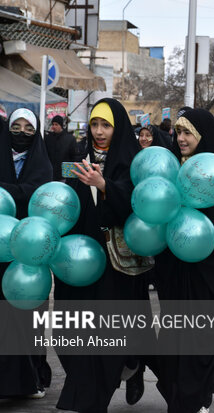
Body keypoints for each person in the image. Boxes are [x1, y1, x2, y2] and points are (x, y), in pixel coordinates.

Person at [53, 98, 148, 411]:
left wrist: (105, 185)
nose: (99, 131)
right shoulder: (78, 156)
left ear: (117, 126)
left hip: (114, 263)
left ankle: (96, 394)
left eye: (105, 125)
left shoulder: (131, 160)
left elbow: (137, 204)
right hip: (79, 259)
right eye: (94, 124)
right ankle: (85, 387)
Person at [154, 108, 214, 413]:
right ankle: (187, 393)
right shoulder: (174, 168)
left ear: (203, 135)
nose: (180, 139)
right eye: (177, 132)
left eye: (187, 132)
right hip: (177, 272)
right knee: (174, 339)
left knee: (200, 338)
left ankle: (194, 397)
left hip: (210, 275)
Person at [0, 108, 53, 399]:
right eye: (16, 127)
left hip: (32, 252)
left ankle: (31, 378)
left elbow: (38, 191)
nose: (22, 133)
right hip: (0, 249)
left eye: (29, 128)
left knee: (29, 316)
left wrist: (8, 191)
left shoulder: (42, 163)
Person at [44, 115, 79, 182]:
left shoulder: (69, 139)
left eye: (56, 124)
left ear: (61, 126)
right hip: (50, 173)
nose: (54, 126)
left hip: (63, 175)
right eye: (53, 124)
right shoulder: (48, 138)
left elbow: (74, 156)